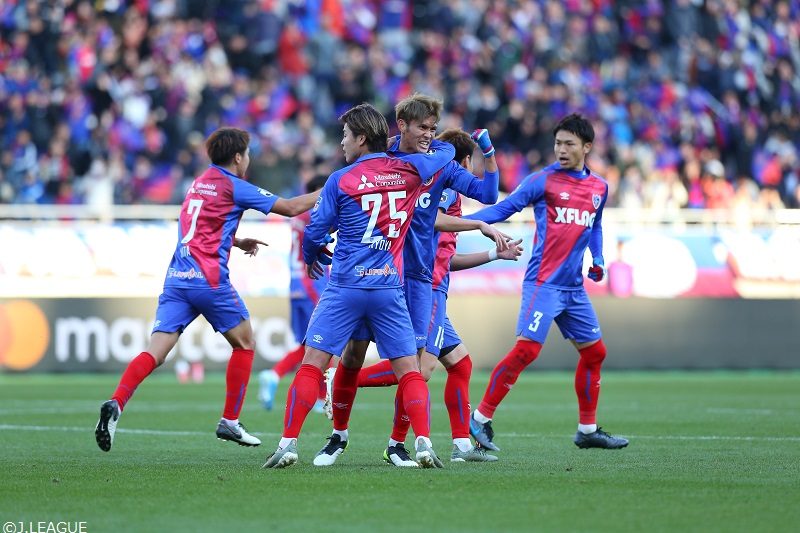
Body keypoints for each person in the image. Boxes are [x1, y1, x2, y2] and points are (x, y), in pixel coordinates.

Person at [94, 127, 321, 452]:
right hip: (209, 280)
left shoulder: (198, 183)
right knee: (245, 343)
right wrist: (330, 188)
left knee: (155, 352)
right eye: (247, 154)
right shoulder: (235, 185)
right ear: (238, 157)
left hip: (177, 277)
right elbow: (290, 207)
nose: (248, 159)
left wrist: (235, 240)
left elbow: (199, 225)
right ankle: (230, 420)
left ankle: (116, 402)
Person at [314, 94, 510, 468]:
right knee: (359, 355)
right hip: (381, 273)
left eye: (433, 128)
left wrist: (488, 152)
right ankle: (340, 434)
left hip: (420, 277)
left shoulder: (442, 163)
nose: (428, 134)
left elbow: (485, 193)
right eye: (423, 127)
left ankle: (408, 444)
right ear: (401, 125)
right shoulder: (383, 157)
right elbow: (365, 194)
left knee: (430, 365)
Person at [262, 103, 459, 469]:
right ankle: (423, 443)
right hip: (388, 287)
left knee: (312, 364)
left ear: (362, 139)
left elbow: (314, 231)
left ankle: (288, 443)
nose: (342, 143)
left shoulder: (340, 179)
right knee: (409, 370)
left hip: (345, 287)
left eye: (345, 136)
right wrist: (412, 144)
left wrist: (313, 254)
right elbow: (446, 151)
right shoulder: (411, 171)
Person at [464, 113, 629, 451]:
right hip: (544, 283)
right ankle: (480, 419)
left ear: (587, 147)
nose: (561, 149)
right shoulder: (542, 181)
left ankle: (587, 430)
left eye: (569, 144)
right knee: (527, 350)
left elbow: (595, 226)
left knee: (595, 353)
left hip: (574, 288)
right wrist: (454, 223)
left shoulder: (599, 187)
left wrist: (598, 258)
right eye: (558, 143)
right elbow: (504, 209)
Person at [257, 175, 330, 412]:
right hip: (313, 282)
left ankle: (313, 394)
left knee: (308, 345)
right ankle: (278, 375)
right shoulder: (315, 212)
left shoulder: (299, 215)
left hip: (295, 285)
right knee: (324, 340)